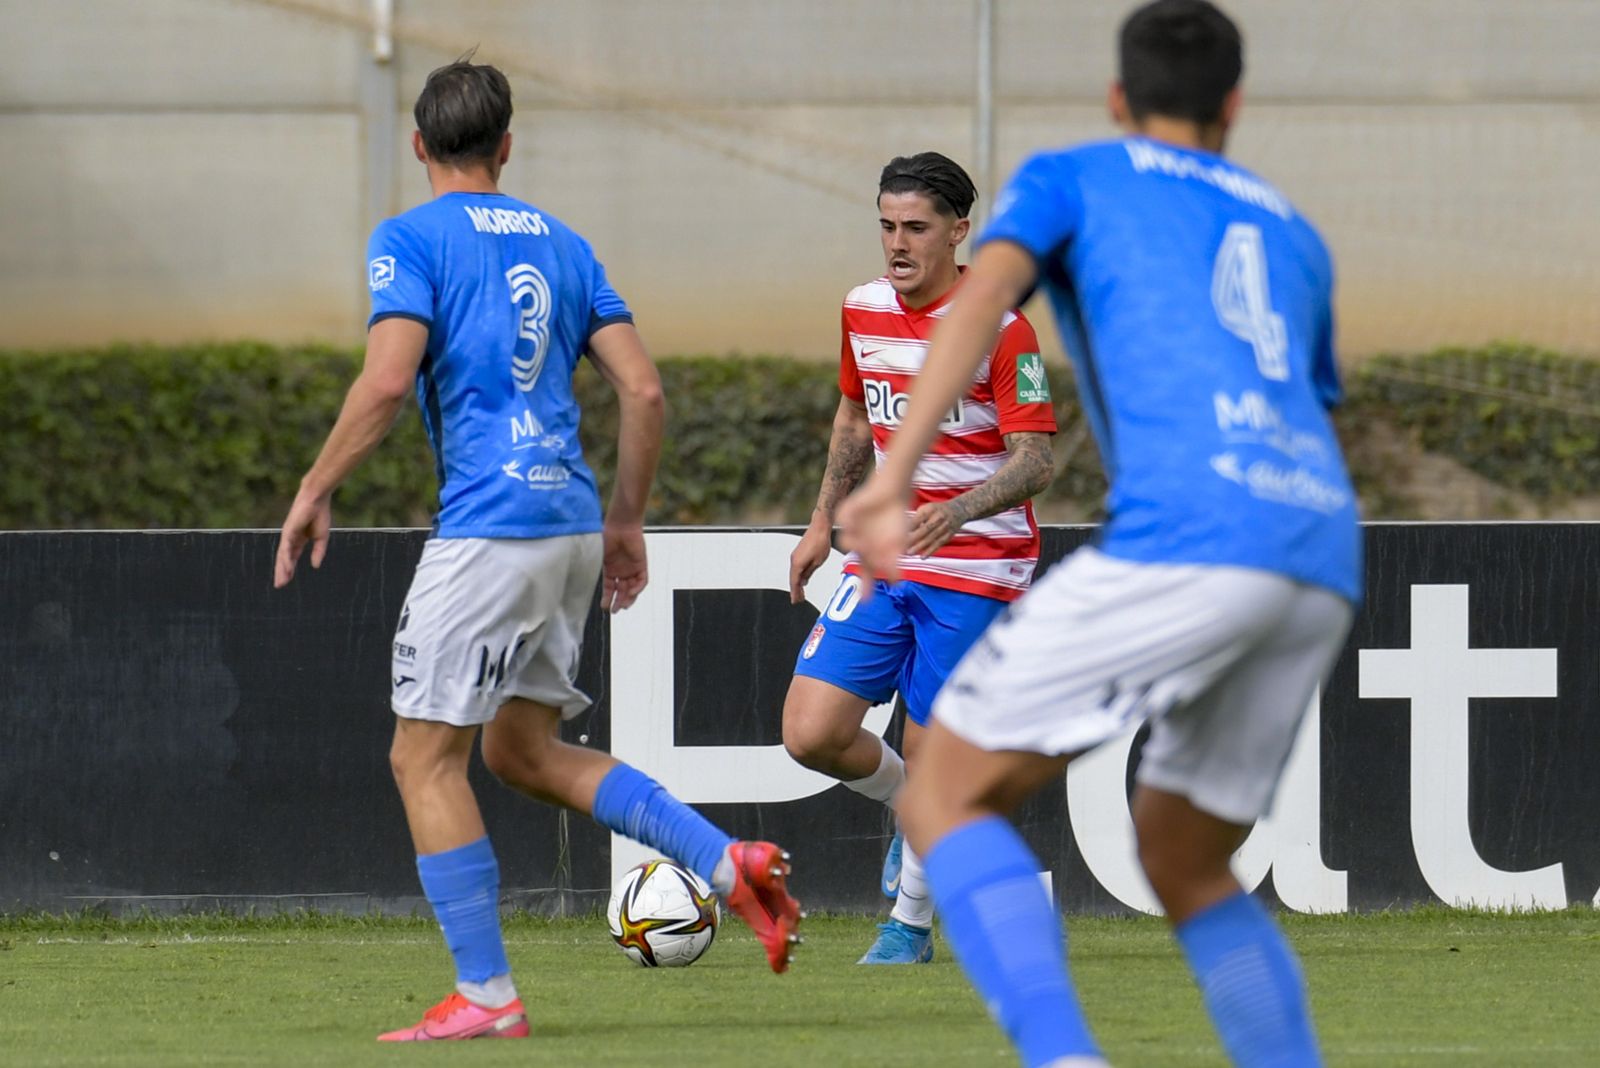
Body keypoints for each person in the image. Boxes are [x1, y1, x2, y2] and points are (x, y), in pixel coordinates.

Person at [839, 1, 1360, 1064]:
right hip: (1318, 547)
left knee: (939, 792)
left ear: (1118, 98)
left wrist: (891, 478)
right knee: (1185, 857)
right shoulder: (1292, 230)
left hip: (1192, 531)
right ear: (1234, 104)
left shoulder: (1075, 176)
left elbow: (983, 300)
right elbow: (1300, 395)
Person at [272, 57, 800, 1043]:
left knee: (422, 761)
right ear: (507, 147)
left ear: (419, 144)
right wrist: (626, 521)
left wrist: (314, 487)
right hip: (568, 527)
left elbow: (386, 382)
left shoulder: (409, 238)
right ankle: (724, 863)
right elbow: (643, 391)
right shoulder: (565, 243)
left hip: (489, 529)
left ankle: (486, 993)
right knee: (520, 752)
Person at [784, 152, 1057, 965]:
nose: (897, 244)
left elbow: (1037, 460)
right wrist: (819, 523)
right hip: (884, 557)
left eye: (916, 228)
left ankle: (908, 928)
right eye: (887, 226)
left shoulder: (1001, 327)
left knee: (941, 759)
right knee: (810, 732)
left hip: (978, 570)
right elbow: (853, 418)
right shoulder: (861, 308)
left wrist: (958, 511)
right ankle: (916, 816)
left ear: (959, 231)